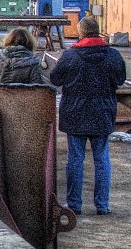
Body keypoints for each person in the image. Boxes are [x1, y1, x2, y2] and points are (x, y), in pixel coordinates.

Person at [50, 17, 126, 216]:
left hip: (75, 114)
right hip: (103, 113)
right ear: (98, 31)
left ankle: (74, 205)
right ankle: (102, 205)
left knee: (75, 159)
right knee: (102, 159)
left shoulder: (70, 56)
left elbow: (55, 78)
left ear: (80, 32)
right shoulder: (113, 55)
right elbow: (120, 79)